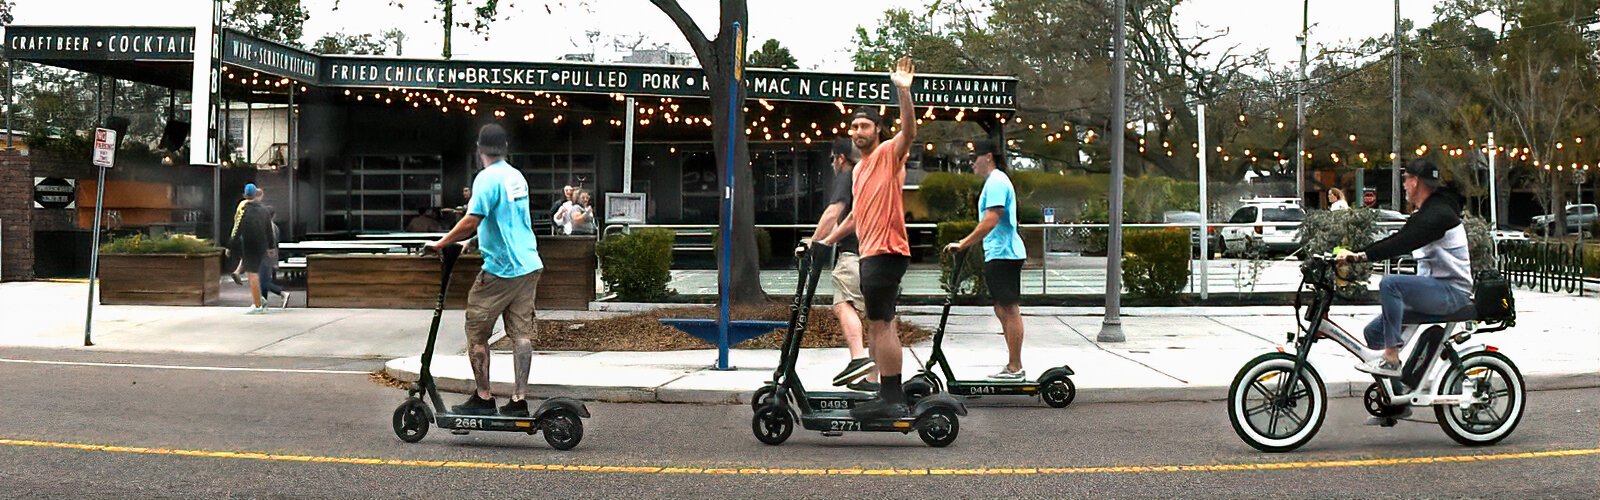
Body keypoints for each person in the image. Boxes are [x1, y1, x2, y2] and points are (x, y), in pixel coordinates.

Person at [817, 55, 918, 420]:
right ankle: (885, 392)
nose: (857, 131)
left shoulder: (889, 153)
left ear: (877, 129)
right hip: (870, 252)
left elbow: (909, 132)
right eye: (853, 126)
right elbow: (856, 217)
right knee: (877, 322)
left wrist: (903, 92)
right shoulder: (858, 171)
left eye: (864, 125)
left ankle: (892, 397)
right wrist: (825, 241)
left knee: (882, 323)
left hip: (888, 251)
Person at [427, 123, 545, 417]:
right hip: (529, 264)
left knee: (476, 331)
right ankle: (519, 400)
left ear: (479, 150)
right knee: (521, 335)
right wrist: (472, 242)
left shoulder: (485, 179)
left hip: (501, 270)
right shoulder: (516, 177)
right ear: (505, 148)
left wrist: (442, 243)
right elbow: (508, 219)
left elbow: (473, 217)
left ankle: (483, 397)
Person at [1336, 158, 1471, 388]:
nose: (1404, 185)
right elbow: (1398, 238)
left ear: (1416, 182)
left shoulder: (1438, 214)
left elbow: (1403, 242)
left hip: (1452, 292)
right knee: (1374, 333)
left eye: (1406, 180)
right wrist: (1359, 254)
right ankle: (1397, 395)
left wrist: (1361, 257)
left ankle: (1391, 357)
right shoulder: (1428, 211)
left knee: (1391, 284)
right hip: (1434, 288)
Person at [942, 139, 1028, 379]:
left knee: (1008, 308)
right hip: (999, 254)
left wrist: (964, 243)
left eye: (973, 158)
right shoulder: (994, 182)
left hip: (1005, 254)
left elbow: (991, 218)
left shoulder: (997, 182)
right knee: (1002, 308)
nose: (971, 164)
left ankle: (1015, 367)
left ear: (987, 156)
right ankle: (1013, 365)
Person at [801, 138, 876, 391]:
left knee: (843, 304)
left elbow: (834, 212)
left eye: (833, 159)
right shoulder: (866, 175)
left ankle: (858, 358)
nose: (833, 163)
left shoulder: (847, 174)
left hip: (852, 255)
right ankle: (873, 380)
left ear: (840, 158)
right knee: (877, 319)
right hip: (874, 254)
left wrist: (814, 242)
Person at [235, 185, 282, 313]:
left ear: (245, 195)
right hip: (263, 250)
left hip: (253, 246)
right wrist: (271, 248)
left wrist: (231, 244)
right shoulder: (264, 212)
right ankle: (261, 301)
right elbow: (269, 232)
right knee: (261, 278)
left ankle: (258, 304)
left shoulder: (244, 210)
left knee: (255, 276)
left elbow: (237, 228)